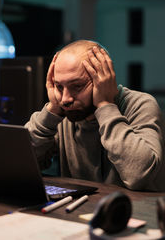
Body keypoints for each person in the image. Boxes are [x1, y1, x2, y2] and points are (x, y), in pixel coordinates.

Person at [25, 39, 165, 191]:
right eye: (59, 86)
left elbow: (139, 175)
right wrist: (51, 111)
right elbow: (23, 165)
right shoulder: (64, 111)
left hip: (134, 211)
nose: (65, 99)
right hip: (78, 211)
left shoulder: (140, 104)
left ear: (105, 79)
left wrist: (105, 105)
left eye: (77, 86)